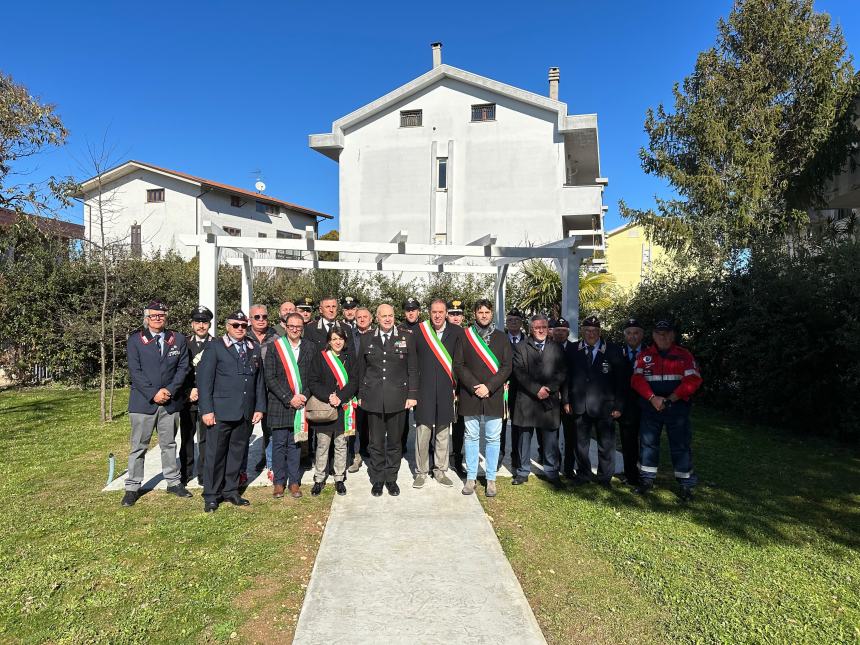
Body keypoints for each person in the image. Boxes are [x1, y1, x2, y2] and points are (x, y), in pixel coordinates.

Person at [122, 300, 191, 507]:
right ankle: (132, 486)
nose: (158, 318)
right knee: (138, 446)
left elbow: (183, 368)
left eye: (161, 315)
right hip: (143, 402)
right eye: (153, 315)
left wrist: (169, 391)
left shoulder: (177, 339)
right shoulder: (135, 340)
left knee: (168, 444)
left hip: (170, 401)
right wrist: (154, 393)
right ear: (147, 318)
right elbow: (135, 372)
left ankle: (173, 482)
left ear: (166, 316)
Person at [197, 311, 266, 512]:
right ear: (227, 326)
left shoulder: (253, 347)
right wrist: (207, 410)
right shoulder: (215, 347)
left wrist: (259, 407)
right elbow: (204, 381)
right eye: (235, 325)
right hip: (220, 412)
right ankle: (211, 494)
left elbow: (258, 381)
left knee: (237, 453)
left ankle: (231, 490)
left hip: (244, 411)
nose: (240, 329)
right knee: (215, 454)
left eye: (243, 325)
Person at [631, 319, 703, 501]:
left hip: (676, 407)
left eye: (666, 333)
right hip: (650, 406)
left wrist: (670, 399)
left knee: (680, 445)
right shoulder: (645, 356)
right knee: (648, 444)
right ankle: (646, 480)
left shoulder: (684, 355)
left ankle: (686, 485)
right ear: (653, 335)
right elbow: (636, 380)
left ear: (673, 335)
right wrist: (652, 398)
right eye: (658, 333)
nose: (662, 337)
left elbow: (693, 380)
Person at [357, 304, 418, 497]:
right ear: (376, 317)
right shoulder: (367, 338)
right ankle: (378, 479)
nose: (387, 319)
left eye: (390, 315)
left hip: (398, 398)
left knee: (394, 442)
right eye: (383, 316)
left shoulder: (406, 337)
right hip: (373, 398)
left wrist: (412, 395)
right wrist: (360, 395)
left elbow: (413, 369)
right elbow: (361, 370)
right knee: (375, 443)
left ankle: (391, 478)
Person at [458, 299, 512, 497]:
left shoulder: (501, 337)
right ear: (474, 314)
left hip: (494, 394)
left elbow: (507, 366)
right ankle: (471, 477)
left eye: (487, 312)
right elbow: (459, 365)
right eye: (480, 312)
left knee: (492, 438)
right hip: (470, 394)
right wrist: (475, 387)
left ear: (492, 314)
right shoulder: (465, 336)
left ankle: (491, 479)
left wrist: (488, 387)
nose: (483, 315)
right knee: (471, 437)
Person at [567, 315, 625, 487]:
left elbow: (621, 381)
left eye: (594, 331)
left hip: (605, 406)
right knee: (581, 444)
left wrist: (619, 405)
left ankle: (604, 477)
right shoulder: (572, 349)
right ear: (582, 331)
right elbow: (566, 377)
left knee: (606, 444)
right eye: (587, 330)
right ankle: (584, 473)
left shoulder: (613, 350)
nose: (591, 334)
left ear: (599, 332)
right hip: (580, 404)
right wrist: (566, 401)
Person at [412, 299, 464, 489]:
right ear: (429, 312)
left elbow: (460, 363)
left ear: (446, 313)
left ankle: (440, 471)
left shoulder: (458, 332)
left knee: (443, 432)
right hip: (424, 390)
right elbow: (412, 362)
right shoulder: (419, 331)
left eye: (441, 312)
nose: (437, 315)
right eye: (434, 311)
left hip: (445, 389)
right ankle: (421, 472)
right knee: (423, 432)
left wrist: (457, 388)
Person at [511, 314, 566, 487]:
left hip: (548, 401)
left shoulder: (557, 347)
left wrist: (548, 388)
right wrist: (536, 389)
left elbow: (562, 372)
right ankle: (522, 471)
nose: (540, 330)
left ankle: (551, 471)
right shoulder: (520, 347)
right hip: (527, 400)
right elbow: (519, 372)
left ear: (547, 327)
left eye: (543, 326)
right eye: (536, 327)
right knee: (524, 438)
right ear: (530, 329)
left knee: (550, 439)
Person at [263, 312, 313, 499]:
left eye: (298, 327)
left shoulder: (309, 347)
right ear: (285, 326)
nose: (295, 329)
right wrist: (288, 397)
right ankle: (278, 482)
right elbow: (270, 377)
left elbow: (313, 377)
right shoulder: (275, 347)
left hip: (301, 403)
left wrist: (303, 396)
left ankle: (293, 481)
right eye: (291, 326)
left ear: (303, 328)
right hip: (280, 403)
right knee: (279, 444)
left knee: (296, 444)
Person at [308, 327, 358, 496]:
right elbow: (313, 381)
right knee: (322, 445)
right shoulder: (320, 357)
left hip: (343, 406)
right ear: (329, 341)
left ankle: (338, 478)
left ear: (345, 341)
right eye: (334, 338)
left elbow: (354, 381)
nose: (337, 342)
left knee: (341, 444)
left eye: (341, 339)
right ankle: (319, 478)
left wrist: (341, 396)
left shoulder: (350, 357)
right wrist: (328, 396)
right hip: (325, 407)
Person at [242, 303, 278, 484]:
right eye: (257, 317)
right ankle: (241, 469)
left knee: (270, 430)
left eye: (264, 316)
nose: (261, 320)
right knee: (243, 432)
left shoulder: (276, 337)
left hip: (270, 391)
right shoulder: (242, 335)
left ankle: (271, 465)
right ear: (250, 319)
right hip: (247, 391)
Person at [178, 305, 213, 486]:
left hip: (208, 399)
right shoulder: (183, 344)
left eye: (204, 322)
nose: (201, 326)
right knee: (187, 437)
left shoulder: (216, 344)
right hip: (187, 398)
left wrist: (202, 391)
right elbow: (178, 371)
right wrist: (188, 390)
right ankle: (185, 472)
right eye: (198, 322)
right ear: (192, 324)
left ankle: (204, 473)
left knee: (206, 438)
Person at [616, 318, 645, 485]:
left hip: (647, 404)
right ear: (624, 335)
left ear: (642, 334)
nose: (632, 336)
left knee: (648, 442)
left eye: (636, 333)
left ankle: (646, 475)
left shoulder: (650, 353)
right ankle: (630, 474)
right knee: (628, 442)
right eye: (629, 333)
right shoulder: (618, 353)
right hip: (626, 406)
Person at [347, 306, 374, 472]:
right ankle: (356, 455)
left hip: (374, 385)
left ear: (371, 319)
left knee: (372, 422)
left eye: (365, 317)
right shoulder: (350, 336)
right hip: (355, 385)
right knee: (355, 422)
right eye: (359, 317)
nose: (362, 319)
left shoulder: (378, 335)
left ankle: (370, 450)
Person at [551, 317, 578, 480]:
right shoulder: (547, 347)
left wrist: (567, 397)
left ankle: (569, 467)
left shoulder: (576, 349)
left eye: (563, 330)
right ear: (552, 332)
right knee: (552, 435)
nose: (560, 333)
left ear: (568, 333)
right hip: (551, 397)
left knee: (570, 435)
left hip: (570, 399)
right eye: (557, 330)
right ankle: (553, 464)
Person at [397, 296, 422, 454]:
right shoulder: (398, 329)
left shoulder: (426, 328)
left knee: (424, 414)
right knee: (402, 416)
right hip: (404, 377)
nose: (411, 312)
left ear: (418, 311)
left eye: (413, 310)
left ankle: (426, 445)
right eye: (408, 310)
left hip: (423, 377)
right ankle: (401, 444)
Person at [502, 308, 526, 472]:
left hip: (522, 389)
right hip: (503, 387)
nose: (513, 323)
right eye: (510, 320)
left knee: (518, 424)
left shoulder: (528, 340)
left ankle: (517, 458)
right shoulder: (500, 339)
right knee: (501, 424)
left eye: (516, 320)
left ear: (521, 323)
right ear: (506, 322)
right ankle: (498, 457)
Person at [446, 298, 468, 478]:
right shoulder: (440, 333)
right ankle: (437, 457)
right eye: (452, 314)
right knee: (439, 423)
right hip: (444, 384)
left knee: (460, 423)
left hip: (462, 386)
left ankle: (457, 456)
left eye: (458, 314)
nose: (455, 317)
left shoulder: (468, 334)